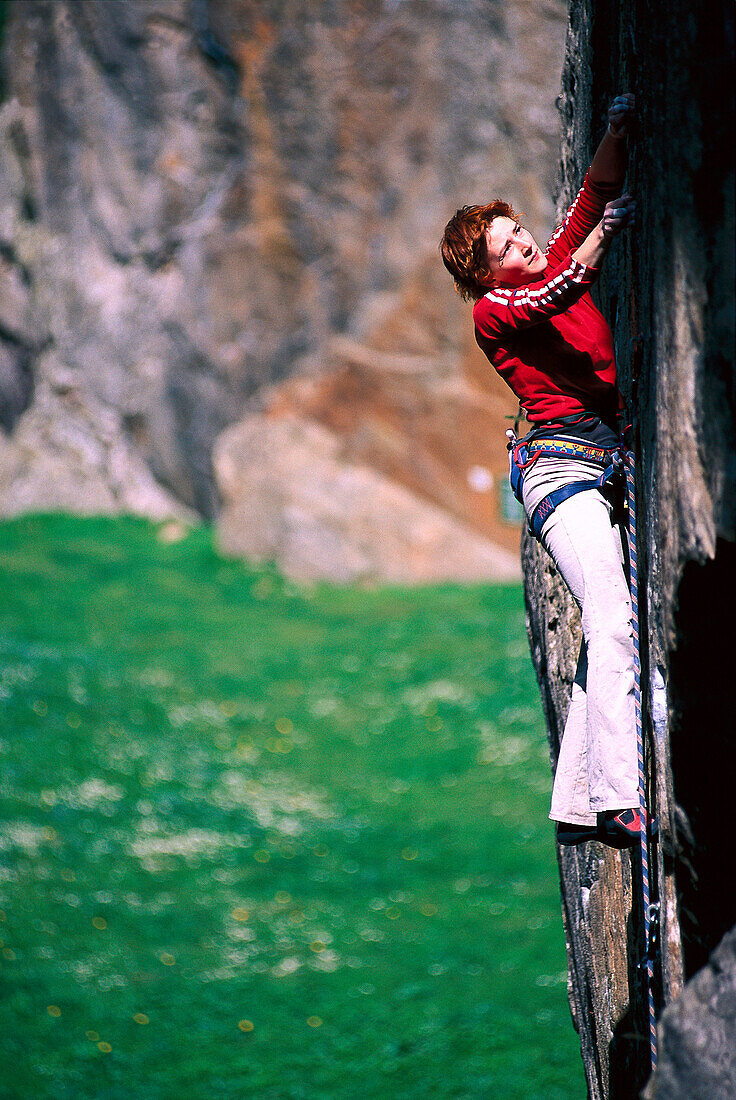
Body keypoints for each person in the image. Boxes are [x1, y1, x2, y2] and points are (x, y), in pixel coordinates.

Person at [440, 93, 650, 848]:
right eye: (504, 246)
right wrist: (599, 241)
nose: (523, 244)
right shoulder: (494, 311)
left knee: (614, 628)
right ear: (486, 271)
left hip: (605, 458)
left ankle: (576, 806)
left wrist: (614, 133)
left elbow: (589, 195)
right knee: (615, 618)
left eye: (518, 230)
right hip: (560, 475)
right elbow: (562, 288)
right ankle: (622, 803)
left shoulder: (550, 257)